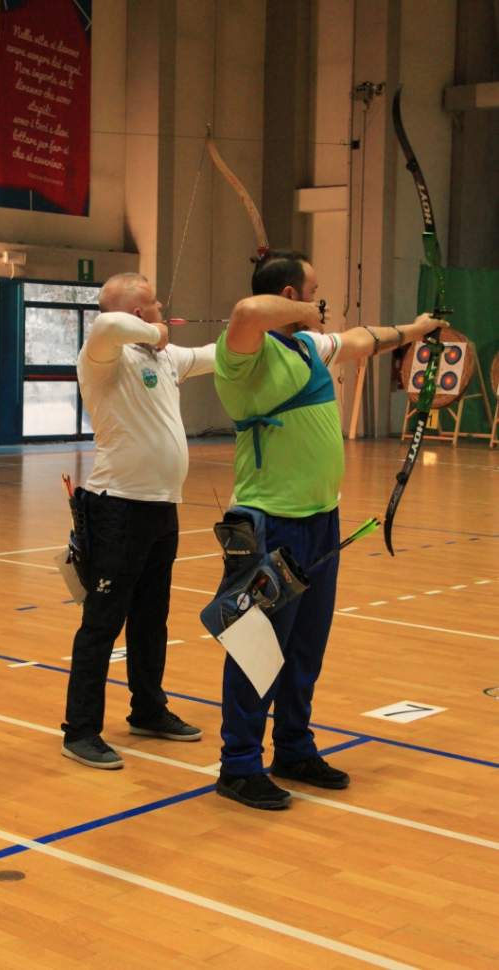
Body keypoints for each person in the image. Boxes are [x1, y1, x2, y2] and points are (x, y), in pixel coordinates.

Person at [212, 249, 442, 810]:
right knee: (257, 647)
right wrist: (306, 311)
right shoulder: (245, 353)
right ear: (290, 296)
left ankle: (292, 746)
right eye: (315, 290)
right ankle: (239, 764)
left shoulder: (307, 346)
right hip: (270, 525)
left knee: (305, 647)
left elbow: (362, 340)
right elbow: (246, 309)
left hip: (320, 522)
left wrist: (417, 329)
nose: (325, 300)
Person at [61, 273, 216, 770]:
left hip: (160, 507)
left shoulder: (166, 358)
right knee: (102, 622)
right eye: (148, 306)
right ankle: (80, 730)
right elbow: (107, 325)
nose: (160, 309)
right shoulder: (102, 357)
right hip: (117, 508)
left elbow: (220, 354)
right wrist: (150, 330)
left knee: (152, 617)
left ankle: (148, 708)